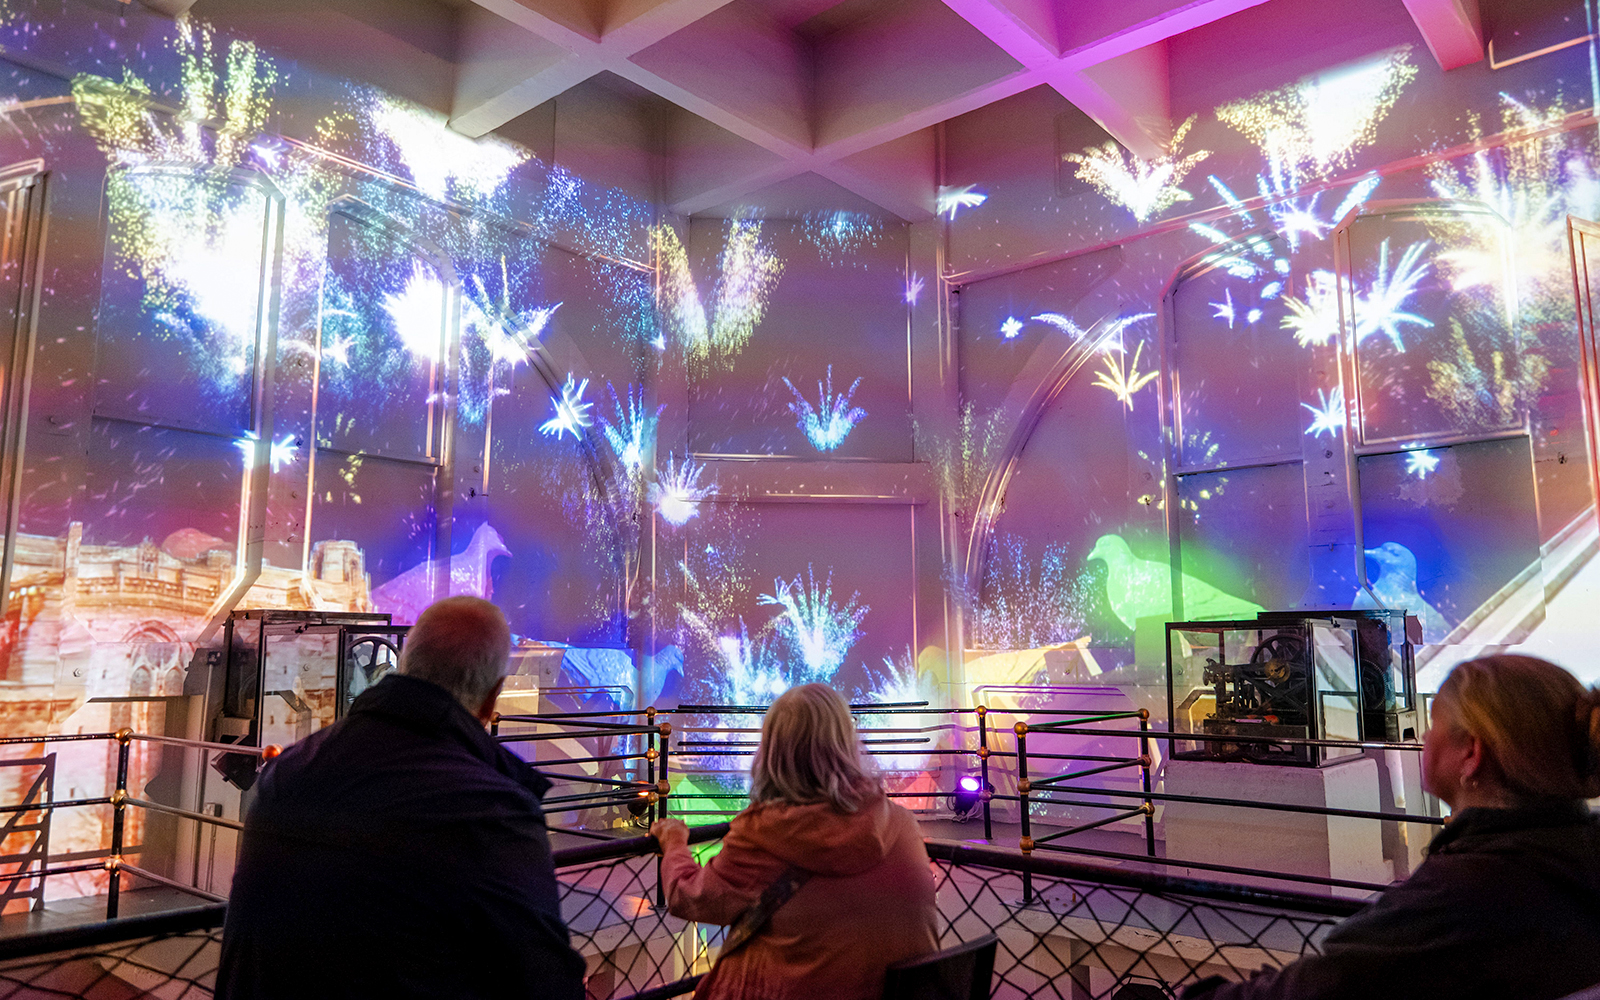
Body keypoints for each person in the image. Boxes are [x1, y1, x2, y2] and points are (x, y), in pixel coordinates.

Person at [217, 597, 585, 1000]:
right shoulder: (493, 810)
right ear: (492, 698)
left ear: (404, 663)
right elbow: (548, 984)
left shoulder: (284, 774)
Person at [1183, 654, 1600, 1000]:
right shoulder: (1575, 855)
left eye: (1434, 724)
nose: (1423, 736)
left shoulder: (1463, 893)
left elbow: (1323, 988)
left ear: (1471, 753)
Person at [650, 683, 938, 1000]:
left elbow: (689, 897)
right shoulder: (900, 822)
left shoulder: (762, 835)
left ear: (771, 750)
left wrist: (674, 842)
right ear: (847, 743)